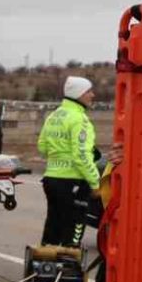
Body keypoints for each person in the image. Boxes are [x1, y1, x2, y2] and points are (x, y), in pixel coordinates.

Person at [37, 76, 101, 247]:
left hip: (51, 179)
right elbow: (82, 155)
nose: (92, 95)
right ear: (78, 93)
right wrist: (95, 183)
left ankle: (45, 260)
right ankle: (67, 261)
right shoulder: (79, 119)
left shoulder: (53, 116)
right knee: (72, 235)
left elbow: (42, 146)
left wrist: (59, 154)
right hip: (73, 182)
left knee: (53, 227)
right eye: (89, 91)